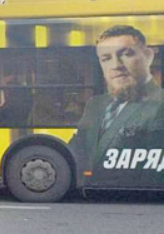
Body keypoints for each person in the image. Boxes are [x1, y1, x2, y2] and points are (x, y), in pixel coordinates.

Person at [68, 25, 162, 180]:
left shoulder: (159, 104)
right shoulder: (96, 104)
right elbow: (76, 148)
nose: (116, 65)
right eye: (106, 59)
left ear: (148, 56)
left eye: (126, 54)